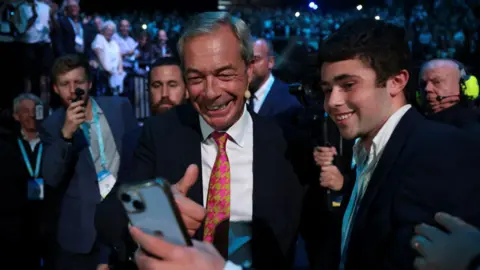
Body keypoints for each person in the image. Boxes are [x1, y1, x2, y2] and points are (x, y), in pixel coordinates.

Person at [131, 11, 323, 269]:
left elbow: (323, 244)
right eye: (196, 78)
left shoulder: (291, 145)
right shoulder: (160, 132)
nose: (211, 93)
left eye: (224, 74)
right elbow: (109, 218)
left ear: (249, 68)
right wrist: (157, 217)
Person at [318, 18, 480, 270]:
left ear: (396, 81)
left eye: (348, 85)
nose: (332, 101)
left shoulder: (440, 149)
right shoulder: (364, 150)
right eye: (327, 89)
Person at [40, 54, 137, 269]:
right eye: (65, 84)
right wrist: (66, 134)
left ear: (90, 83)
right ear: (56, 89)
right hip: (82, 231)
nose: (73, 89)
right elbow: (51, 177)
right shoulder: (52, 125)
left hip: (124, 223)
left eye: (79, 82)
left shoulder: (119, 107)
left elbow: (136, 159)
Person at [418, 59, 480, 133]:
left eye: (437, 82)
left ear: (463, 87)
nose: (427, 88)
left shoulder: (470, 128)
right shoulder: (418, 120)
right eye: (423, 84)